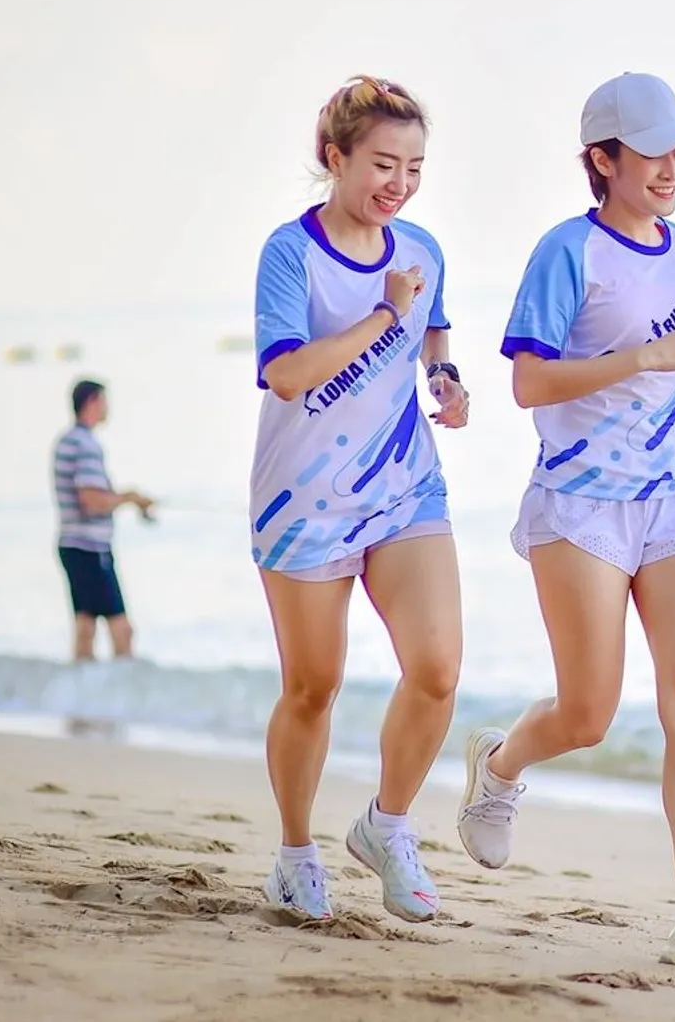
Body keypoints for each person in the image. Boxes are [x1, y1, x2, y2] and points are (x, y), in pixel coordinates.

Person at [455, 72, 675, 971]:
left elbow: (665, 368)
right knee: (589, 712)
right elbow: (528, 383)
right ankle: (503, 762)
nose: (673, 167)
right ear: (602, 159)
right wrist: (648, 354)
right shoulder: (567, 252)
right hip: (581, 504)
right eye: (655, 151)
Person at [249, 75, 471, 924]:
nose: (400, 184)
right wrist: (384, 317)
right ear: (334, 157)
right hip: (303, 500)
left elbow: (434, 324)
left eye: (414, 167)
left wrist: (444, 376)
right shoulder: (291, 253)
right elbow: (286, 371)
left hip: (404, 484)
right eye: (384, 163)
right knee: (314, 685)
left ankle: (387, 825)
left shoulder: (420, 247)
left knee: (438, 666)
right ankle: (296, 853)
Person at [51, 379, 154, 661]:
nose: (108, 407)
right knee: (122, 630)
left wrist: (129, 499)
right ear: (93, 402)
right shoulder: (85, 444)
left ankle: (83, 696)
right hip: (89, 548)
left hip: (73, 545)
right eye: (105, 401)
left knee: (85, 627)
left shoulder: (67, 439)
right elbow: (92, 500)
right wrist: (131, 498)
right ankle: (123, 696)